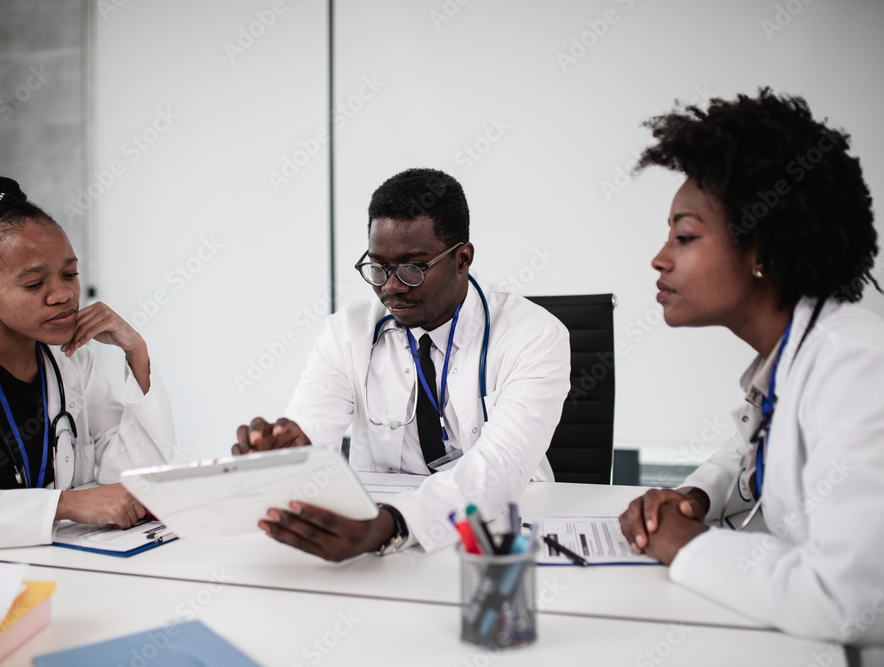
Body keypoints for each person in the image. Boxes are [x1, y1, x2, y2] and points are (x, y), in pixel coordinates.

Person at [618, 90, 884, 656]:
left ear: (762, 248)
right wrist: (696, 494)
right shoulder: (796, 357)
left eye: (684, 236)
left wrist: (686, 545)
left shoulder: (854, 364)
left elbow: (850, 599)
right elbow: (752, 454)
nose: (659, 258)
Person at [234, 168, 570, 562]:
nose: (390, 287)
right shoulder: (348, 333)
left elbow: (499, 465)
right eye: (378, 268)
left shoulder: (533, 335)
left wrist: (394, 526)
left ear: (462, 258)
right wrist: (284, 449)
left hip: (496, 539)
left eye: (413, 268)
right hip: (371, 532)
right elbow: (310, 426)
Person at [0, 168, 177, 555]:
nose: (62, 295)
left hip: (61, 573)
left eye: (70, 274)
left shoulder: (72, 363)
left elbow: (139, 482)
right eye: (34, 284)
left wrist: (135, 351)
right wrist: (63, 505)